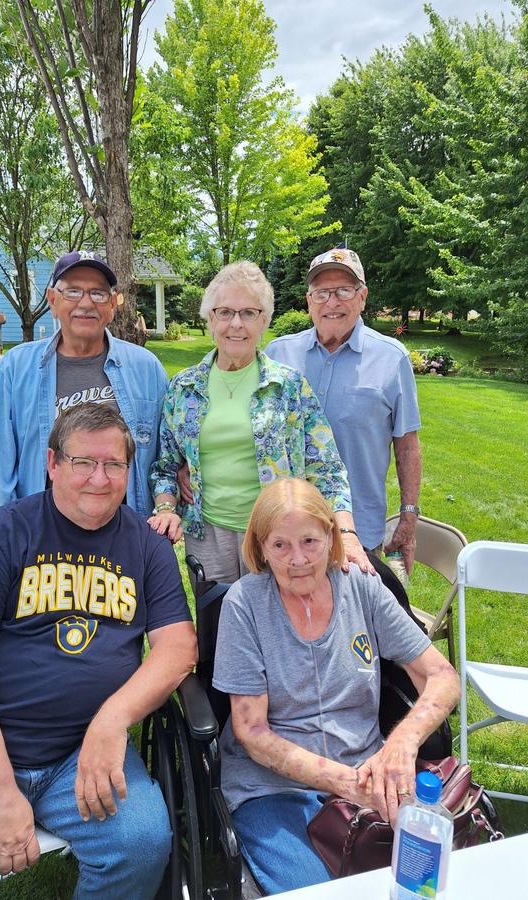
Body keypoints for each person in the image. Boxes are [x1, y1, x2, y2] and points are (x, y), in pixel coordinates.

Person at [0, 403, 197, 900]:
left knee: (140, 843)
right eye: (82, 462)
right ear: (53, 464)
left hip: (79, 753)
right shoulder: (0, 536)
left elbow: (178, 647)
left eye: (114, 464)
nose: (99, 478)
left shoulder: (146, 547)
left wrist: (112, 720)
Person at [212, 478, 459, 895]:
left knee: (421, 880)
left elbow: (442, 677)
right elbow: (252, 734)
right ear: (259, 547)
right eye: (280, 546)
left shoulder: (361, 586)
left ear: (331, 535)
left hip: (369, 771)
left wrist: (401, 745)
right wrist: (346, 784)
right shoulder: (245, 604)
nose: (298, 560)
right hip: (274, 790)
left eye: (309, 541)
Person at [149, 260, 370, 583]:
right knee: (219, 626)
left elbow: (327, 470)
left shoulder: (289, 387)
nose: (235, 324)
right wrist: (166, 508)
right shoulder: (183, 389)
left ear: (264, 320)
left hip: (280, 536)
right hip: (208, 535)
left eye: (249, 313)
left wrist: (346, 532)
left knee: (280, 628)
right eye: (224, 312)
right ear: (210, 319)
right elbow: (165, 467)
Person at [266, 247, 422, 570]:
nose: (332, 302)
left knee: (355, 622)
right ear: (309, 301)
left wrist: (409, 514)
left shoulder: (392, 359)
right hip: (284, 532)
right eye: (321, 293)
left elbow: (407, 445)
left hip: (358, 533)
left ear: (362, 297)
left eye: (343, 291)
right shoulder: (278, 354)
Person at [0, 250, 168, 517]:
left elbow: (167, 454)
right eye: (72, 291)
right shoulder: (15, 368)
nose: (86, 303)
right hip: (43, 532)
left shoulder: (146, 368)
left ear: (113, 305)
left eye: (98, 293)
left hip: (125, 531)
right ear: (52, 300)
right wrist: (0, 534)